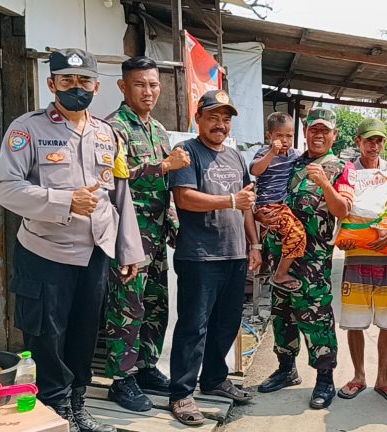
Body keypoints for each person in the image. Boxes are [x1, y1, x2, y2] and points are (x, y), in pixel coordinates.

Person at [0, 48, 144, 432]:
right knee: (46, 337)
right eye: (67, 81)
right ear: (51, 84)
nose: (76, 88)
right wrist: (64, 201)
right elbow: (5, 189)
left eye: (84, 81)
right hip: (46, 252)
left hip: (94, 253)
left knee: (83, 334)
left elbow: (119, 196)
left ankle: (78, 406)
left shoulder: (107, 134)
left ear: (96, 85)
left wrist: (127, 250)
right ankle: (54, 410)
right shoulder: (27, 129)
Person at [167, 89, 261, 426]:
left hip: (235, 253)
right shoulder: (186, 151)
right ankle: (181, 393)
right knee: (194, 326)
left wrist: (254, 244)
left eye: (225, 118)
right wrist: (230, 202)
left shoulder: (235, 157)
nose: (220, 124)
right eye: (213, 117)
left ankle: (215, 378)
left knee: (227, 324)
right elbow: (185, 198)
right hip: (200, 256)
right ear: (199, 118)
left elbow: (246, 203)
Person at [104, 56, 190, 411]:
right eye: (140, 84)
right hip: (128, 236)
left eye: (154, 85)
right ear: (123, 87)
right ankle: (120, 380)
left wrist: (173, 222)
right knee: (127, 308)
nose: (149, 91)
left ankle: (146, 367)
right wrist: (165, 164)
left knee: (157, 305)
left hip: (156, 235)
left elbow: (166, 186)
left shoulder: (157, 129)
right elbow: (114, 177)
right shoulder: (112, 128)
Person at [256, 107, 355, 410]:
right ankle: (286, 368)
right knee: (281, 314)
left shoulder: (341, 168)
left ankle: (325, 379)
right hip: (279, 256)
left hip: (313, 262)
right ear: (306, 132)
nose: (319, 135)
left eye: (325, 130)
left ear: (334, 135)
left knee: (317, 319)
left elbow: (343, 211)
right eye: (314, 129)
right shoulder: (289, 160)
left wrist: (325, 183)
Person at [336, 118, 387, 404]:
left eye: (378, 141)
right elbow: (342, 208)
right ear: (358, 142)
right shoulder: (348, 170)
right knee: (355, 322)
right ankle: (358, 376)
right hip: (356, 256)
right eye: (368, 140)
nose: (373, 146)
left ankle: (383, 379)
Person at [249, 112, 305, 292]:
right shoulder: (264, 152)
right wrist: (272, 152)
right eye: (279, 136)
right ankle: (280, 275)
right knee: (297, 235)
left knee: (292, 236)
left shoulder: (295, 154)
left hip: (283, 205)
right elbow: (256, 171)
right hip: (268, 205)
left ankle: (269, 266)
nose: (285, 140)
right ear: (269, 136)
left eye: (289, 136)